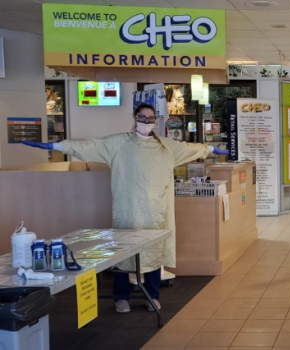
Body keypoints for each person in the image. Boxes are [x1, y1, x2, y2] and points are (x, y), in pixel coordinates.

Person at [22, 103, 229, 313]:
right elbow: (90, 145)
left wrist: (211, 149)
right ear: (135, 117)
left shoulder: (166, 146)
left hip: (156, 211)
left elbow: (189, 148)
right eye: (142, 117)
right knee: (122, 252)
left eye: (150, 118)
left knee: (153, 252)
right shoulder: (118, 143)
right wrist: (57, 146)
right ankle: (121, 297)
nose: (146, 122)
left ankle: (152, 296)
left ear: (155, 121)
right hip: (127, 209)